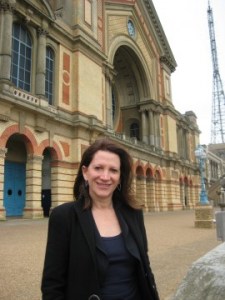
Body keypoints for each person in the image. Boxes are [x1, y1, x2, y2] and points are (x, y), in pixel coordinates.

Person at [41, 138, 160, 300]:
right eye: (98, 168)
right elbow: (52, 285)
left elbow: (145, 267)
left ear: (120, 176)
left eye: (113, 170)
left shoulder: (133, 213)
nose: (105, 177)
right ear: (85, 172)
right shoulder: (63, 216)